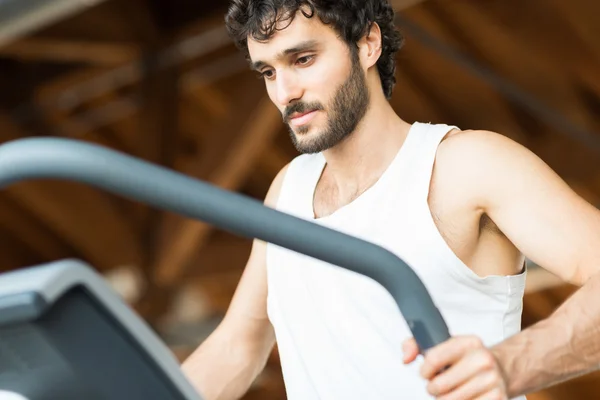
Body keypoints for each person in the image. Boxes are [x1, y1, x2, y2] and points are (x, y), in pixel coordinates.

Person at [181, 1, 600, 399]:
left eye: (303, 59)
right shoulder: (286, 191)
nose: (284, 92)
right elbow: (238, 346)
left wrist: (511, 365)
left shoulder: (463, 166)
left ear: (368, 44)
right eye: (268, 72)